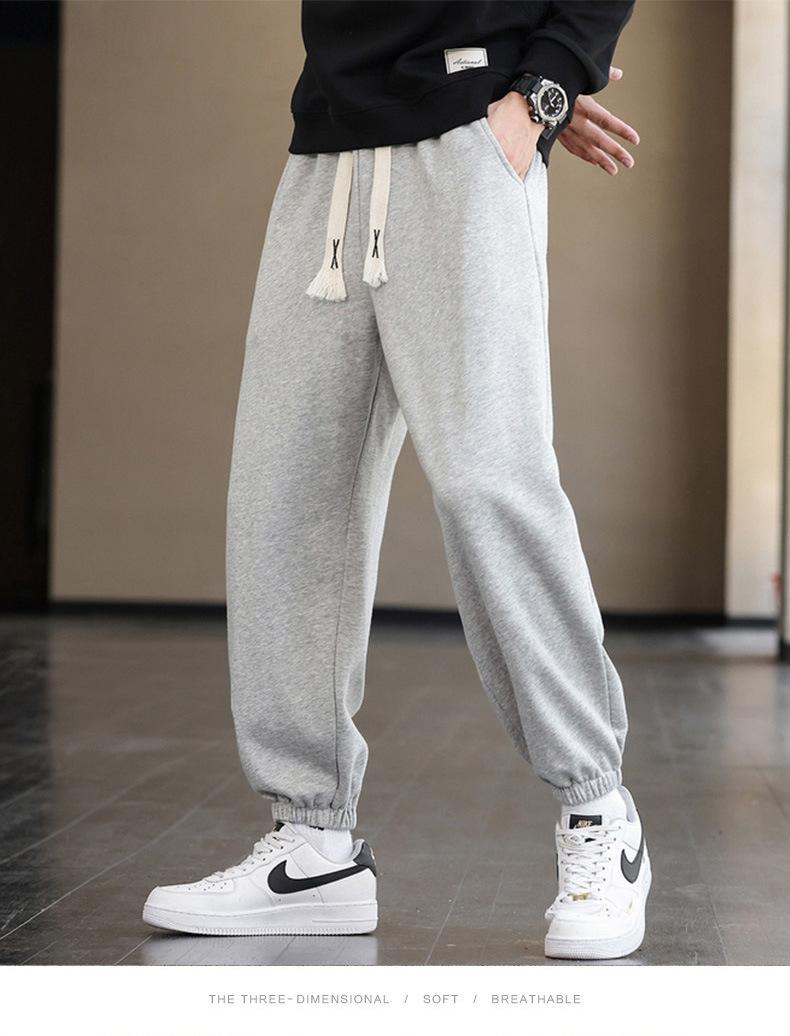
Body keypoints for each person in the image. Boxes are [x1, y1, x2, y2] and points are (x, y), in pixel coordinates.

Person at [144, 0, 648, 960]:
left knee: (488, 481)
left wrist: (540, 91)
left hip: (469, 143)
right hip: (326, 150)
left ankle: (600, 812)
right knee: (285, 495)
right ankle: (314, 841)